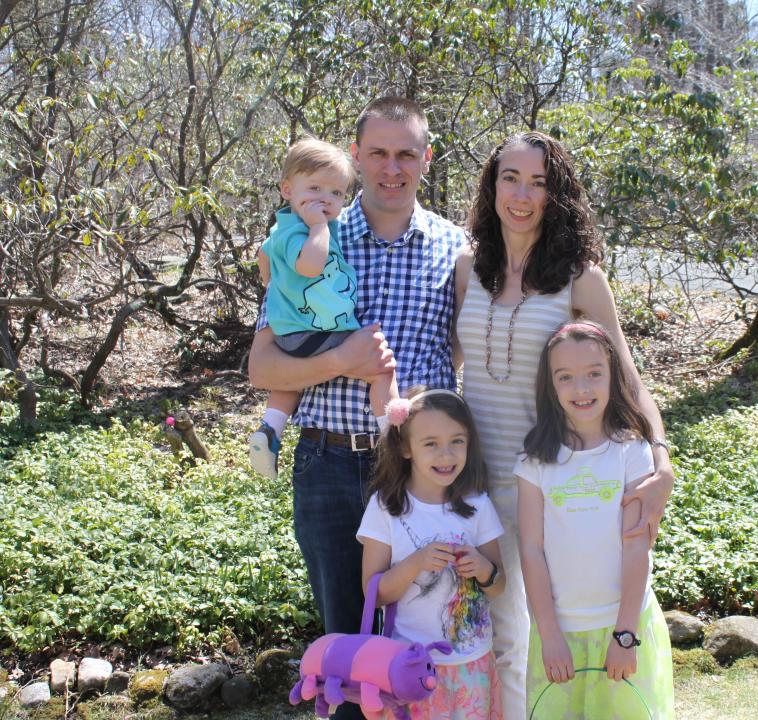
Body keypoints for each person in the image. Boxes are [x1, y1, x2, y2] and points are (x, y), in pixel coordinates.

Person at [248, 97, 465, 720]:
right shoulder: (315, 236)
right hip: (329, 466)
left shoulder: (457, 248)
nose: (391, 167)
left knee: (424, 642)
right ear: (357, 156)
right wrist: (343, 361)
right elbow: (262, 366)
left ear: (426, 158)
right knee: (347, 646)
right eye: (377, 152)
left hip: (417, 475)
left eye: (405, 154)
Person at [453, 131, 676, 717]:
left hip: (552, 488)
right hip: (473, 487)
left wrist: (662, 456)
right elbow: (450, 368)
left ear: (557, 196)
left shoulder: (580, 278)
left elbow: (627, 376)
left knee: (546, 636)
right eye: (511, 178)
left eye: (539, 183)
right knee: (497, 643)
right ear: (491, 184)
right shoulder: (466, 269)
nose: (522, 194)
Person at [516, 321, 674, 719]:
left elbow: (636, 543)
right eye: (565, 377)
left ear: (613, 376)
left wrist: (625, 633)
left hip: (620, 628)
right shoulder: (535, 461)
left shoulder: (631, 451)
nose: (581, 389)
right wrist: (548, 634)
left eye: (593, 374)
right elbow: (531, 549)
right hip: (559, 634)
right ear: (550, 386)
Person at [249, 138, 398, 480]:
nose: (325, 200)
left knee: (292, 381)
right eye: (314, 188)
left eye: (336, 194)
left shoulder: (279, 233)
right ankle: (392, 434)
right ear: (287, 189)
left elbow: (265, 260)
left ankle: (270, 429)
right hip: (318, 331)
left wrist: (272, 275)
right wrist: (319, 227)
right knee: (380, 367)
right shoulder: (299, 231)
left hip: (294, 335)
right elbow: (312, 266)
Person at [358, 387, 506, 719]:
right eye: (431, 444)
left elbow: (499, 586)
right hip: (411, 666)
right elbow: (373, 593)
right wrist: (415, 563)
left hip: (472, 664)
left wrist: (484, 570)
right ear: (405, 448)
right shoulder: (386, 509)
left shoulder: (477, 506)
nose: (446, 455)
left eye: (457, 441)